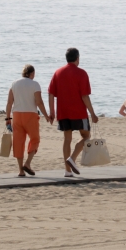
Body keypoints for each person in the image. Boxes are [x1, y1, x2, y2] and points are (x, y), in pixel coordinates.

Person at [48, 48, 99, 177]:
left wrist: (52, 112)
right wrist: (92, 113)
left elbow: (51, 93)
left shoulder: (58, 72)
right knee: (86, 137)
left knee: (67, 140)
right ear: (77, 58)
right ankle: (72, 158)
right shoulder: (81, 73)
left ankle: (67, 171)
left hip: (63, 112)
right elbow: (85, 96)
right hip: (79, 112)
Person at [5, 64, 51, 177]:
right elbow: (39, 102)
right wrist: (46, 115)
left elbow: (9, 102)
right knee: (35, 139)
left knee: (18, 142)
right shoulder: (35, 84)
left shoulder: (14, 83)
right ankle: (28, 163)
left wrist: (8, 118)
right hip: (30, 115)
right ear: (32, 73)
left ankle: (21, 170)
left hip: (16, 115)